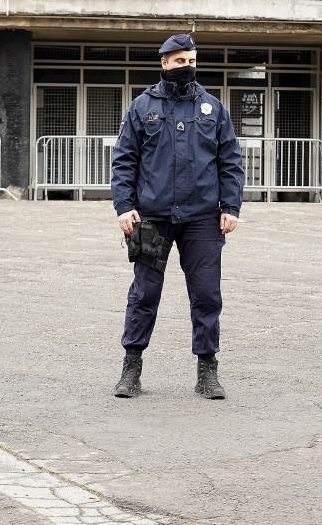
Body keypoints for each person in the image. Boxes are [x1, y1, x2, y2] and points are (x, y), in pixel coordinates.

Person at [110, 34, 244, 399]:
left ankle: (207, 371)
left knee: (205, 294)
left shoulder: (213, 108)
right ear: (164, 63)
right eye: (179, 61)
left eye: (191, 61)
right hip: (151, 216)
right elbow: (124, 160)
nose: (186, 67)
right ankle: (131, 369)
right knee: (144, 293)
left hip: (201, 218)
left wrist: (231, 208)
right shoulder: (142, 107)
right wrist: (124, 206)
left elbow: (230, 161)